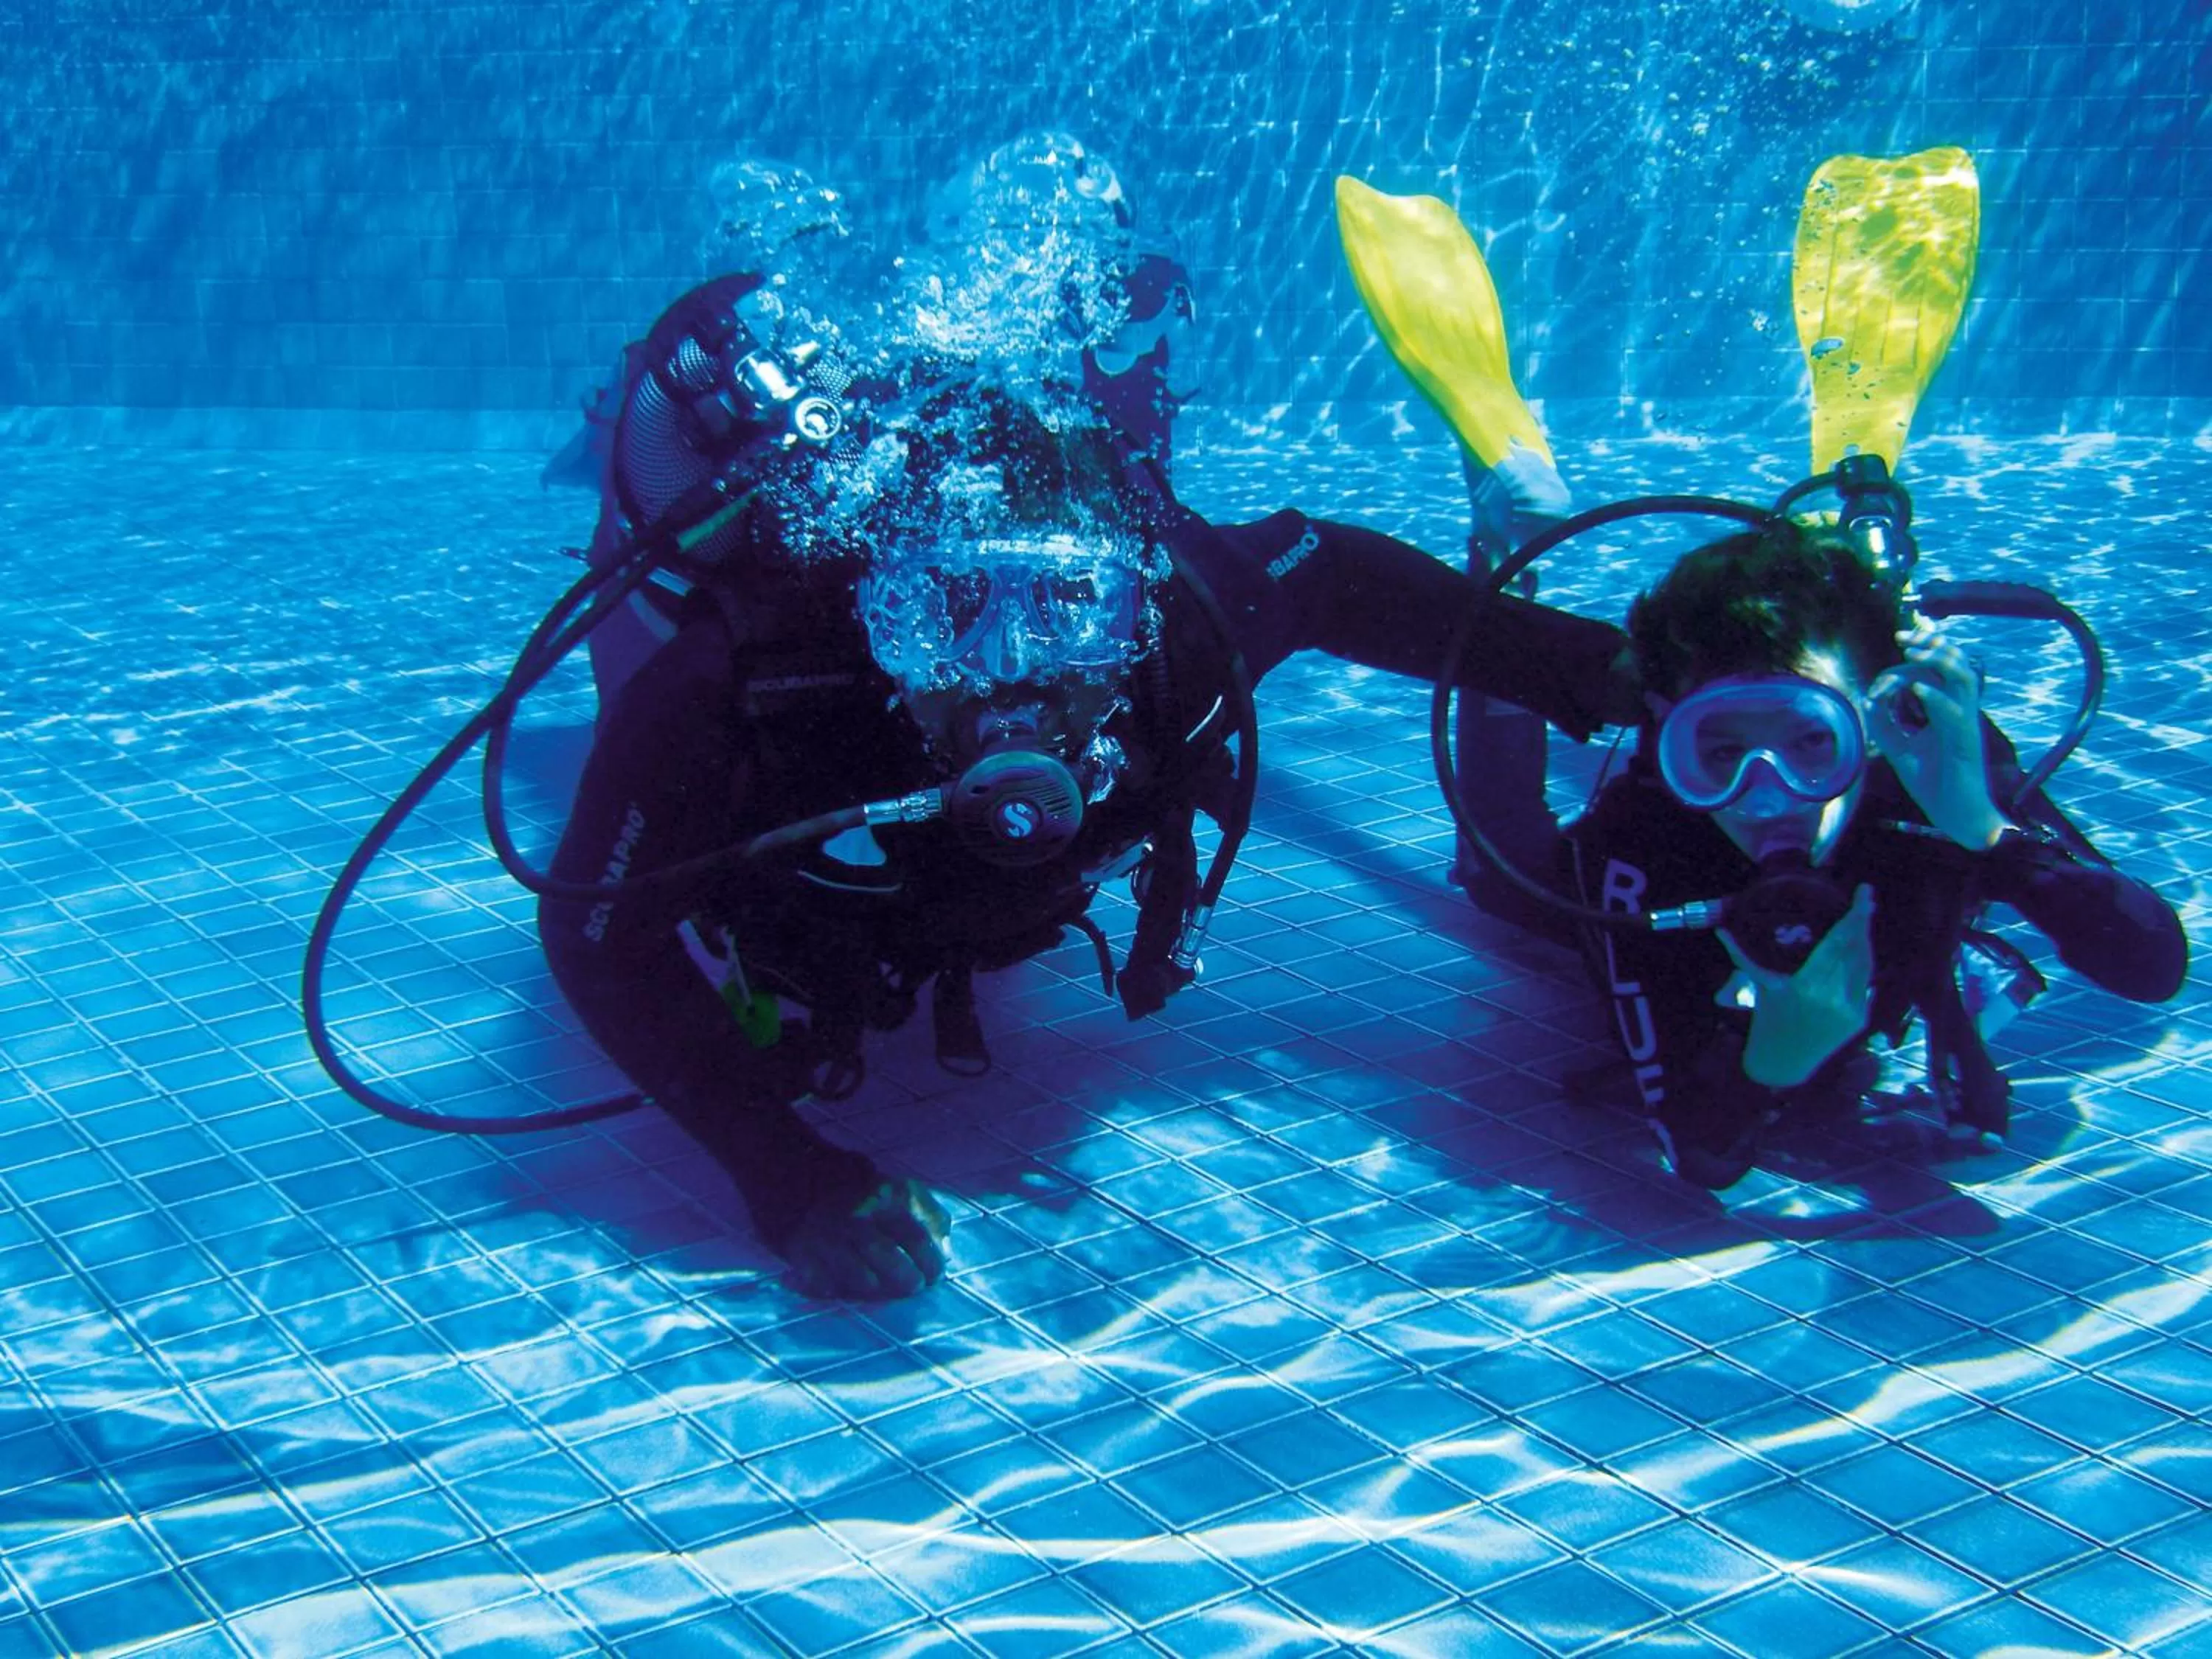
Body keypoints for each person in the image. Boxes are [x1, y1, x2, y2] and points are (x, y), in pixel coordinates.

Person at [532, 159, 1638, 1299]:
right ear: (876, 608)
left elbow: (1338, 575)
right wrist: (787, 1175)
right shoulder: (757, 672)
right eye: (948, 611)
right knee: (640, 630)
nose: (1012, 677)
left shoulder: (1177, 620)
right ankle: (620, 435)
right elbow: (594, 933)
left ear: (1131, 599)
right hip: (787, 865)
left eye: (1069, 608)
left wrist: (1597, 670)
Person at [1541, 518, 2187, 1187]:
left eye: (1814, 743)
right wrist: (1774, 1063)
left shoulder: (1934, 768)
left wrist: (1985, 831)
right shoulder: (1639, 844)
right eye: (1724, 751)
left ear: (1875, 720)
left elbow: (2152, 968)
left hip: (1903, 914)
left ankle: (1944, 971)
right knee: (1503, 887)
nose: (1767, 800)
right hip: (1672, 940)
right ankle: (1508, 577)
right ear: (1669, 724)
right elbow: (1699, 1152)